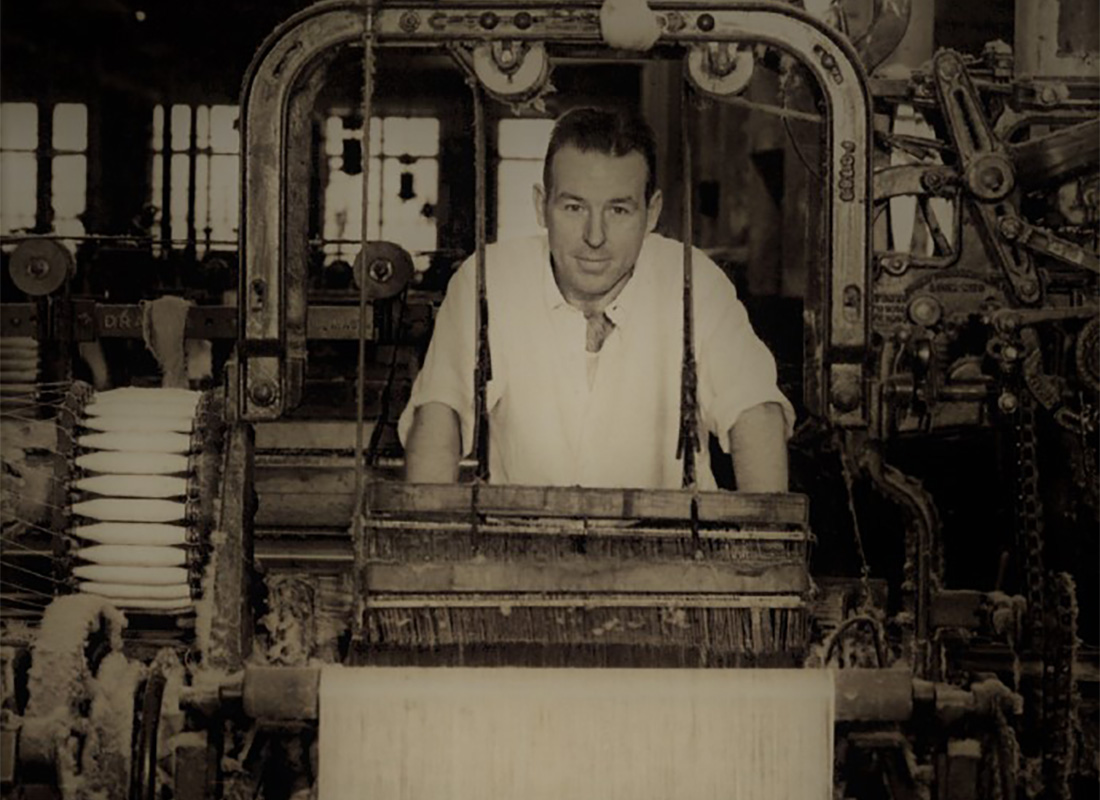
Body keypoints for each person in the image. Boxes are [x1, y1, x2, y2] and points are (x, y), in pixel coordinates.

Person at [398, 107, 793, 491]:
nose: (595, 237)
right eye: (574, 207)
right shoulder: (489, 279)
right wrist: (426, 543)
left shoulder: (695, 280)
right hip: (527, 541)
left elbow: (753, 411)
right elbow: (439, 412)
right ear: (541, 206)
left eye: (618, 210)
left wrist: (766, 543)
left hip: (670, 544)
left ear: (651, 212)